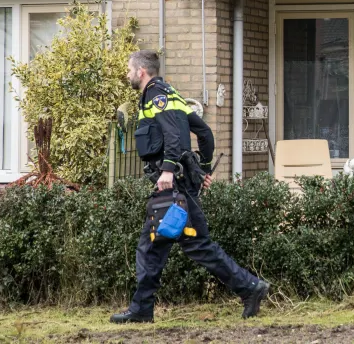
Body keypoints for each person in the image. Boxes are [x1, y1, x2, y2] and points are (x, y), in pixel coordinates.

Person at [110, 50, 269, 324]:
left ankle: (250, 287)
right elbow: (205, 133)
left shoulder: (155, 95)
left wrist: (169, 169)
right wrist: (204, 170)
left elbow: (172, 135)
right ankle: (142, 308)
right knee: (155, 246)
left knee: (190, 245)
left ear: (141, 72)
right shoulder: (172, 94)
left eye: (129, 70)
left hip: (172, 186)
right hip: (181, 183)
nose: (127, 75)